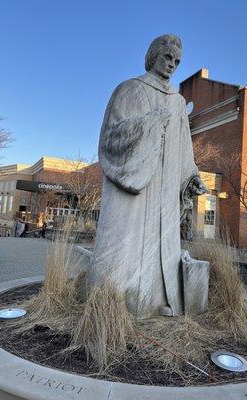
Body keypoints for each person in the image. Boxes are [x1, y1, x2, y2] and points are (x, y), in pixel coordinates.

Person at [88, 34, 207, 319]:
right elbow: (110, 137)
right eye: (167, 57)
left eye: (177, 61)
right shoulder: (128, 90)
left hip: (166, 190)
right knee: (124, 249)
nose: (172, 65)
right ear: (153, 56)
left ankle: (155, 300)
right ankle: (113, 305)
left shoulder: (178, 103)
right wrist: (149, 123)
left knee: (161, 246)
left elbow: (184, 150)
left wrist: (191, 178)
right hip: (136, 186)